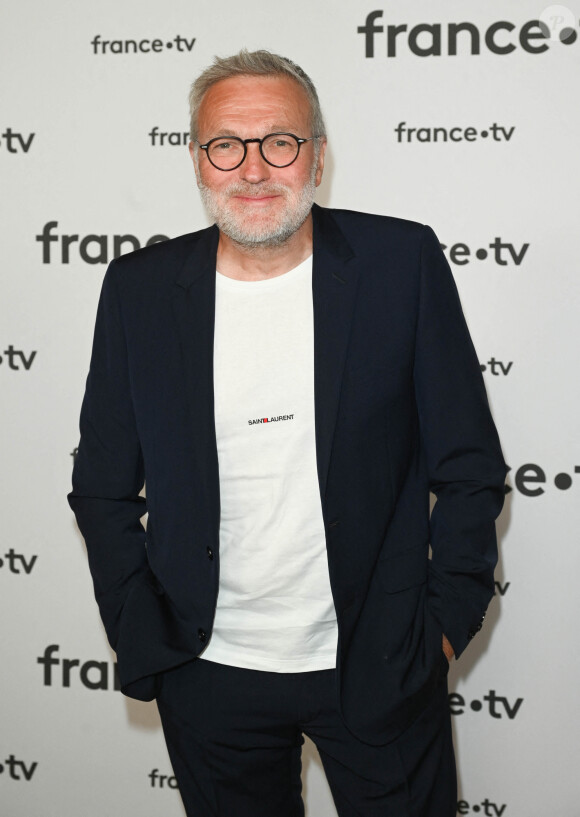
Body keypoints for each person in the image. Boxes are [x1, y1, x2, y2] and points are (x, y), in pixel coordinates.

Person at [68, 49, 507, 817]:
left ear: (317, 155)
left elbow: (469, 464)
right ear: (199, 161)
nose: (254, 168)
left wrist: (441, 630)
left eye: (280, 142)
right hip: (206, 671)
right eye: (226, 145)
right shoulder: (139, 289)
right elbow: (102, 484)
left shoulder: (399, 263)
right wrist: (145, 631)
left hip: (380, 662)